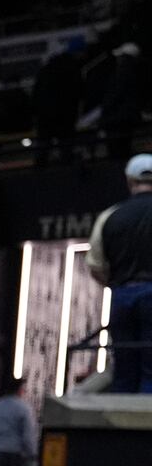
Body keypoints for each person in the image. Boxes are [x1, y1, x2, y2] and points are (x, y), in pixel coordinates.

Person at [87, 154, 152, 393]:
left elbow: (95, 265)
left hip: (122, 295)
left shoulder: (109, 216)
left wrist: (117, 285)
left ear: (129, 181)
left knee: (124, 367)